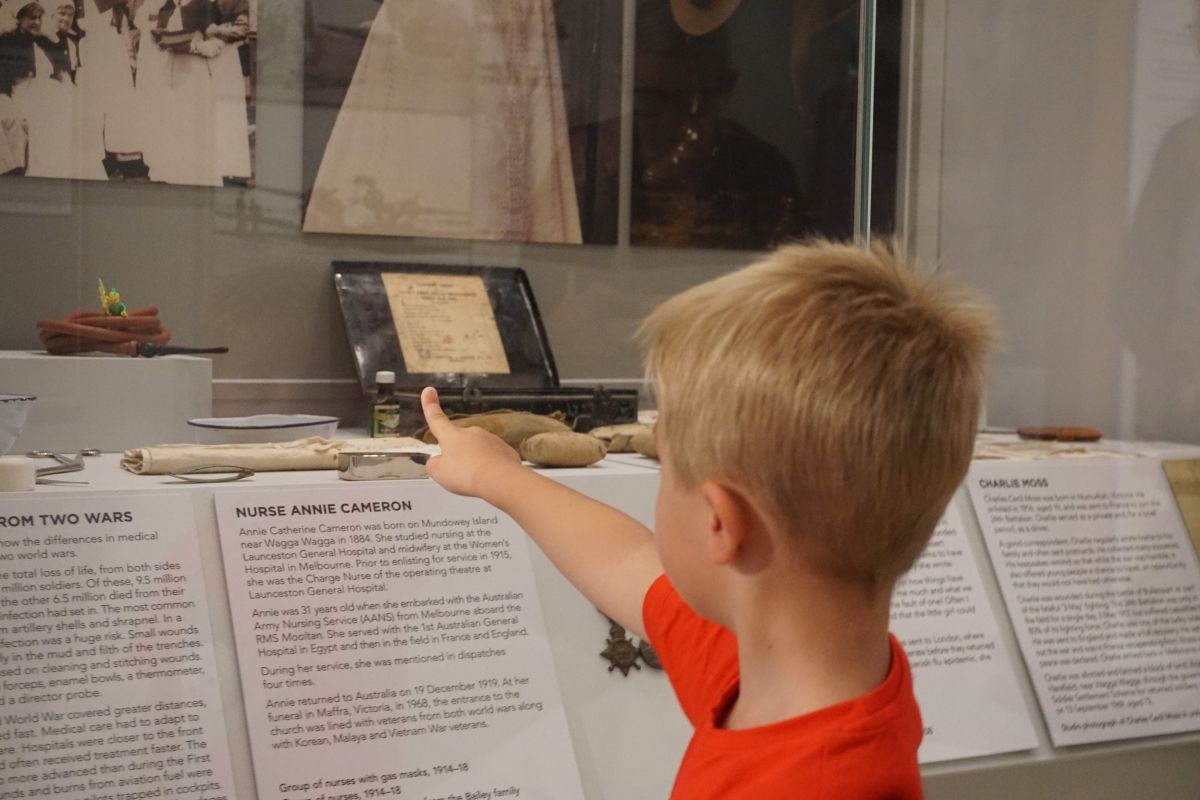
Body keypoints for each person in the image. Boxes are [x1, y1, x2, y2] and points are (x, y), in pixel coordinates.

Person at [418, 238, 995, 798]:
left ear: (722, 524)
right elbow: (626, 562)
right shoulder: (800, 669)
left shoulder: (803, 776)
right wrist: (497, 477)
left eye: (666, 466)